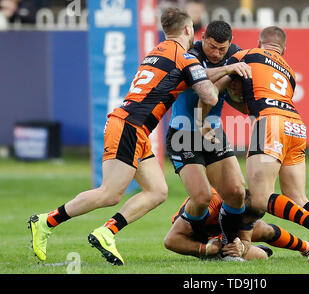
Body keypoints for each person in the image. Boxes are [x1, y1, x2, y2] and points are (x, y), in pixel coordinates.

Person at [27, 7, 219, 266]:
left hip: (134, 128)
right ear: (188, 29)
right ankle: (46, 221)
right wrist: (226, 73)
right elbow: (209, 96)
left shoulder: (155, 53)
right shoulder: (184, 57)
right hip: (129, 126)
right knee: (110, 193)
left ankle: (107, 231)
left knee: (157, 190)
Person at [216, 26, 309, 263]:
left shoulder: (247, 55)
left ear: (260, 42)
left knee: (261, 197)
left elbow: (222, 82)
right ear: (284, 49)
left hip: (269, 124)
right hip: (296, 125)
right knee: (299, 197)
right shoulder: (289, 71)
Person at [165, 20, 252, 258]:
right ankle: (198, 242)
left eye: (222, 50)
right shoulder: (189, 54)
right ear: (203, 38)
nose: (216, 53)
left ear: (230, 44)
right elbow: (199, 81)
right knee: (202, 197)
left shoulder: (235, 54)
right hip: (183, 134)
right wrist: (227, 69)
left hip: (213, 133)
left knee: (236, 192)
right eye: (212, 47)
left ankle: (228, 246)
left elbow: (242, 76)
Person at [164, 188, 309, 261]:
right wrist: (206, 249)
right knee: (262, 256)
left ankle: (307, 248)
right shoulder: (209, 203)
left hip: (221, 236)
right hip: (199, 238)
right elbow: (170, 240)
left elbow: (245, 238)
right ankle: (217, 255)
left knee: (264, 230)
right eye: (246, 223)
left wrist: (242, 248)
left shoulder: (243, 205)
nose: (248, 226)